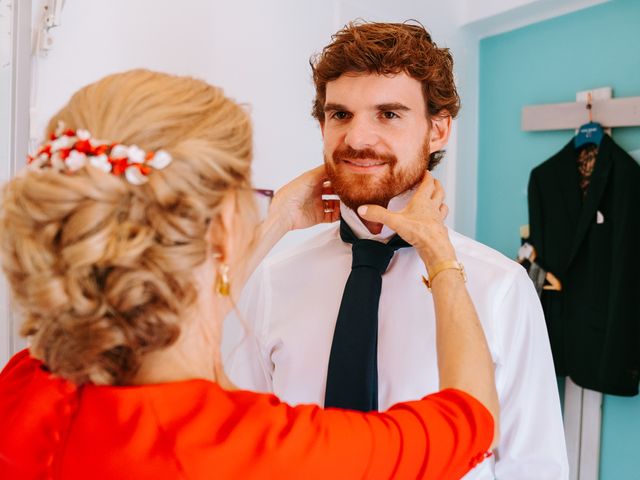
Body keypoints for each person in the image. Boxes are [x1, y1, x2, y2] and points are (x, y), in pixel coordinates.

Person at [0, 69, 498, 479]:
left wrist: (274, 219)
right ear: (220, 227)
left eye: (388, 114)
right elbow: (472, 417)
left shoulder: (25, 385)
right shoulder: (259, 452)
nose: (359, 135)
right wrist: (441, 256)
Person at [225, 22, 569, 479]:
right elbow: (240, 445)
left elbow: (534, 465)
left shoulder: (501, 286)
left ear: (439, 130)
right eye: (340, 115)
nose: (358, 139)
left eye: (388, 114)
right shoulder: (272, 277)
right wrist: (273, 223)